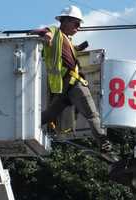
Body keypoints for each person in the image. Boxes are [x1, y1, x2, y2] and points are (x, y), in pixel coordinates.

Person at [33, 5, 112, 153]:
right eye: (76, 23)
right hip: (74, 85)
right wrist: (46, 36)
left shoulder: (65, 40)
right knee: (92, 114)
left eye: (79, 25)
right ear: (65, 21)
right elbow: (44, 32)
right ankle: (103, 142)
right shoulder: (55, 32)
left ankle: (29, 125)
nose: (78, 28)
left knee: (50, 114)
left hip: (63, 89)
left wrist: (79, 48)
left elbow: (68, 51)